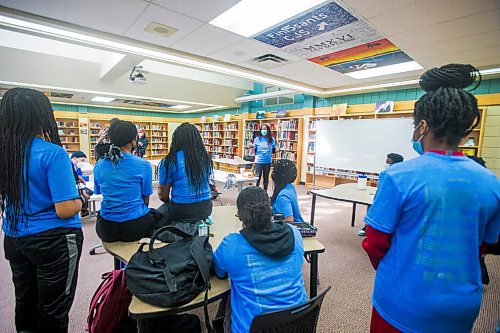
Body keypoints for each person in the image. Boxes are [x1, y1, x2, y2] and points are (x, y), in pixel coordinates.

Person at [361, 64, 499, 333]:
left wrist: (397, 272)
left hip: (402, 302)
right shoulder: (491, 181)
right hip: (461, 306)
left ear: (422, 127)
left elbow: (375, 242)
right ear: (465, 131)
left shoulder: (398, 176)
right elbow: (487, 244)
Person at [0, 88, 84, 332]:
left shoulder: (6, 153)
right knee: (54, 309)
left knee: (25, 302)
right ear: (40, 116)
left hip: (15, 238)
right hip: (54, 242)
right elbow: (66, 209)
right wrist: (80, 200)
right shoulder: (52, 153)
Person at [213, 186, 307, 333]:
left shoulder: (232, 245)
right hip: (297, 325)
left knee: (229, 297)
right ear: (270, 209)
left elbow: (219, 273)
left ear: (240, 215)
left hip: (253, 329)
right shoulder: (295, 234)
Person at [93, 119, 155, 242]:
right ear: (133, 141)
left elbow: (99, 191)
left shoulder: (99, 165)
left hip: (106, 228)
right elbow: (146, 199)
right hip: (135, 226)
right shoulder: (143, 165)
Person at [158, 122, 213, 221]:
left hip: (182, 208)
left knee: (159, 215)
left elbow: (163, 196)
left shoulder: (169, 161)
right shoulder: (205, 158)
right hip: (206, 206)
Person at [357, 153, 404, 236]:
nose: (386, 163)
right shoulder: (386, 173)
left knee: (373, 205)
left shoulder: (389, 174)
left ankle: (370, 227)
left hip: (391, 200)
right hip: (390, 198)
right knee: (371, 203)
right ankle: (368, 226)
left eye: (388, 161)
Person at [251, 123, 276, 190]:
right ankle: (256, 192)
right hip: (259, 161)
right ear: (260, 130)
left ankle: (265, 192)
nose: (264, 130)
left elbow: (274, 149)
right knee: (257, 178)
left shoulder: (271, 139)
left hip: (267, 161)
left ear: (268, 130)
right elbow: (254, 149)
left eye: (265, 129)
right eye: (262, 129)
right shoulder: (257, 139)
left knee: (266, 178)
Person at [70, 151, 92, 217]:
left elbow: (80, 175)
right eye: (82, 160)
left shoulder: (77, 166)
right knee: (86, 194)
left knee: (90, 191)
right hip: (73, 187)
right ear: (74, 158)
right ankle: (84, 210)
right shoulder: (70, 164)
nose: (83, 163)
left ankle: (85, 210)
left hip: (77, 185)